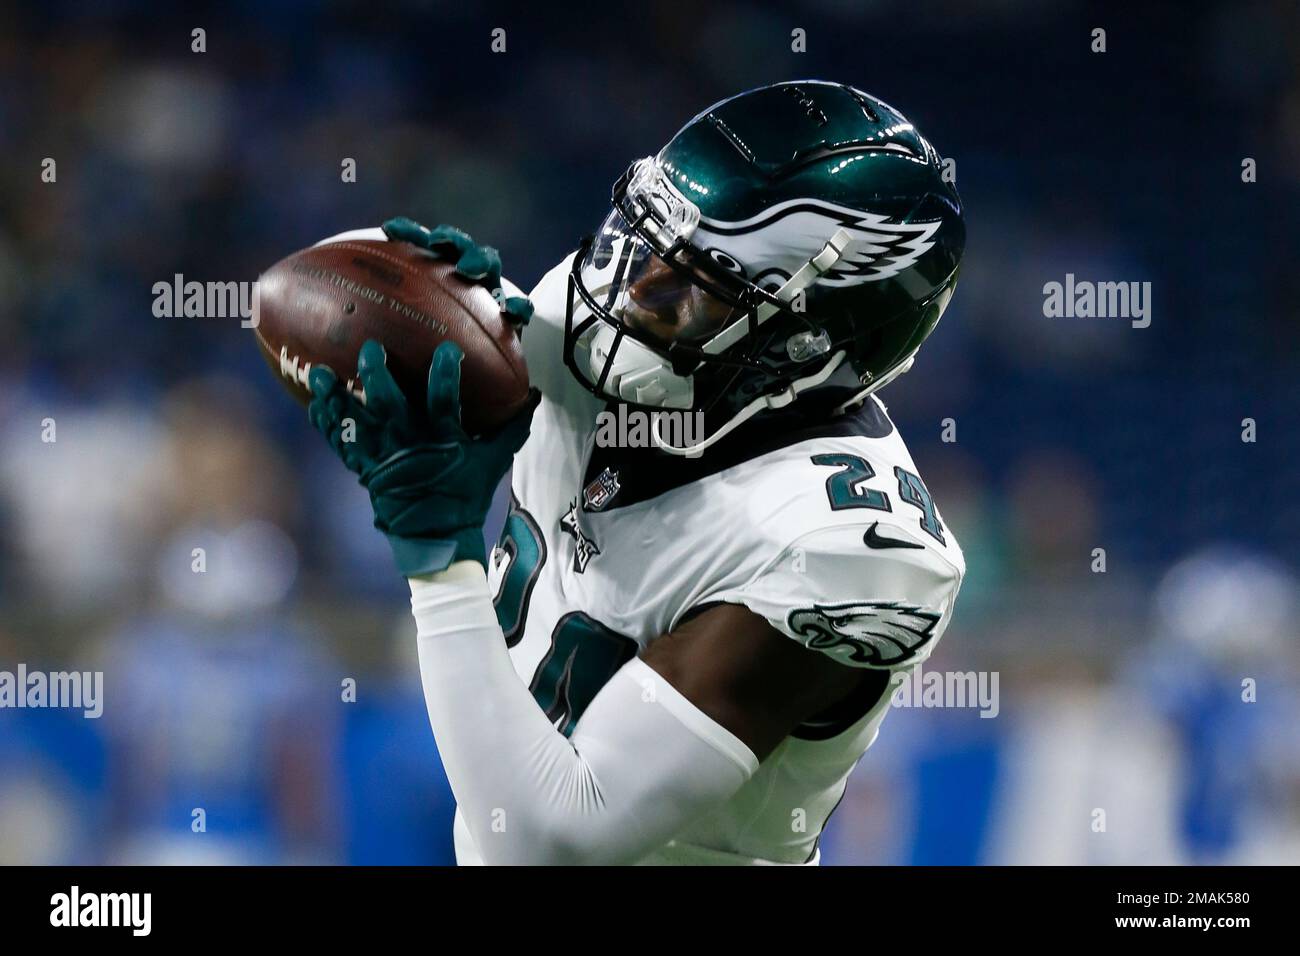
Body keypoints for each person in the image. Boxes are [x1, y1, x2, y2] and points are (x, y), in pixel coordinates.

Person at [307, 81, 966, 865]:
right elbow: (340, 294)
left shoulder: (846, 549)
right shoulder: (629, 323)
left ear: (811, 342)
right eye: (641, 243)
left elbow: (550, 842)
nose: (634, 292)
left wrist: (438, 559)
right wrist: (421, 299)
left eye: (697, 287)